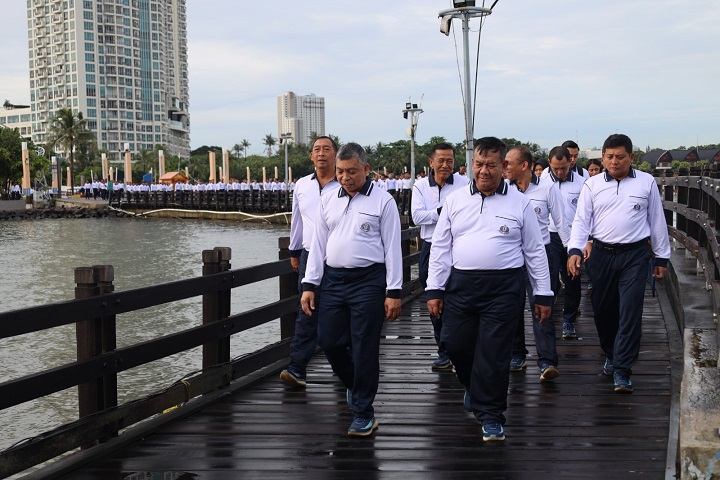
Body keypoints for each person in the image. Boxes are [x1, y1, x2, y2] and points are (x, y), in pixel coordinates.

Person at [426, 137, 553, 442]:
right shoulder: (455, 201)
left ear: (503, 166)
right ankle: (474, 388)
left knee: (494, 352)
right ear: (472, 164)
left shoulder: (519, 202)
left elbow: (535, 251)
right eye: (479, 164)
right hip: (461, 286)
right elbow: (441, 247)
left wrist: (543, 293)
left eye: (491, 165)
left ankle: (492, 415)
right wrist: (434, 289)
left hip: (504, 287)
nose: (484, 171)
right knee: (455, 344)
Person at [301, 142, 402, 437]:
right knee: (329, 341)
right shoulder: (328, 198)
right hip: (334, 280)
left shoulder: (383, 202)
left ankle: (363, 412)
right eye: (341, 171)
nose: (345, 177)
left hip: (369, 281)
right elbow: (318, 244)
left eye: (352, 171)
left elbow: (393, 248)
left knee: (364, 345)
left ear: (366, 169)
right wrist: (310, 284)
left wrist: (393, 291)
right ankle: (356, 385)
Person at [567, 133, 670, 393]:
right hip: (601, 255)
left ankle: (623, 368)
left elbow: (657, 220)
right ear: (602, 158)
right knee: (603, 310)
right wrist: (575, 250)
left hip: (635, 255)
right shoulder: (592, 185)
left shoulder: (646, 182)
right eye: (610, 157)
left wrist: (661, 257)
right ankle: (611, 353)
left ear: (631, 157)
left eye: (620, 157)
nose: (615, 162)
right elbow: (581, 220)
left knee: (630, 310)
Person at [504, 146, 569, 381]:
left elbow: (561, 223)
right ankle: (516, 354)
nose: (505, 167)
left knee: (541, 305)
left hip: (541, 254)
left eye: (509, 163)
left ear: (524, 165)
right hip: (512, 256)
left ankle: (547, 361)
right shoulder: (504, 190)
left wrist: (572, 252)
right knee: (512, 306)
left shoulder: (547, 189)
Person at [280, 136, 340, 387]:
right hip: (308, 256)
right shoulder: (302, 185)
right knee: (307, 310)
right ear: (311, 156)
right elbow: (297, 221)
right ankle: (297, 368)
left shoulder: (345, 183)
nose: (322, 153)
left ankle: (344, 365)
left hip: (337, 258)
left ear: (335, 154)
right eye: (317, 149)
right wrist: (294, 252)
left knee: (340, 311)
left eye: (327, 149)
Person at [410, 142, 467, 370]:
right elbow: (416, 217)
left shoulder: (464, 184)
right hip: (431, 245)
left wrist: (434, 214)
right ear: (431, 162)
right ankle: (443, 350)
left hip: (457, 246)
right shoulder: (420, 186)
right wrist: (444, 212)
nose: (445, 165)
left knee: (457, 297)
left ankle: (459, 349)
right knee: (434, 298)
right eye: (441, 160)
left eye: (449, 161)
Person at [545, 146, 586, 339]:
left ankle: (569, 319)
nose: (560, 172)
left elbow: (587, 214)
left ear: (570, 162)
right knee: (550, 277)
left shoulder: (582, 183)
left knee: (572, 278)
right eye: (555, 168)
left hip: (573, 238)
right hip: (550, 236)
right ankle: (548, 316)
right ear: (549, 164)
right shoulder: (542, 182)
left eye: (563, 168)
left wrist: (587, 240)